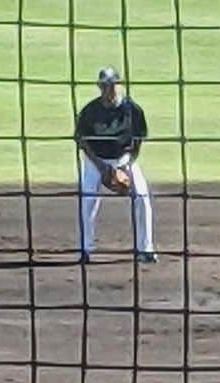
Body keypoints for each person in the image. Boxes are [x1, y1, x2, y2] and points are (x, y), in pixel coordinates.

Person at [74, 66, 156, 263]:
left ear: (119, 85)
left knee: (142, 197)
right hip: (96, 160)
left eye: (111, 86)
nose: (107, 90)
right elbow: (82, 142)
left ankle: (145, 249)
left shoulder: (132, 110)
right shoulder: (90, 111)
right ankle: (86, 249)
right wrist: (101, 167)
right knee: (87, 199)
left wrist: (126, 165)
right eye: (104, 86)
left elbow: (137, 142)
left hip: (123, 159)